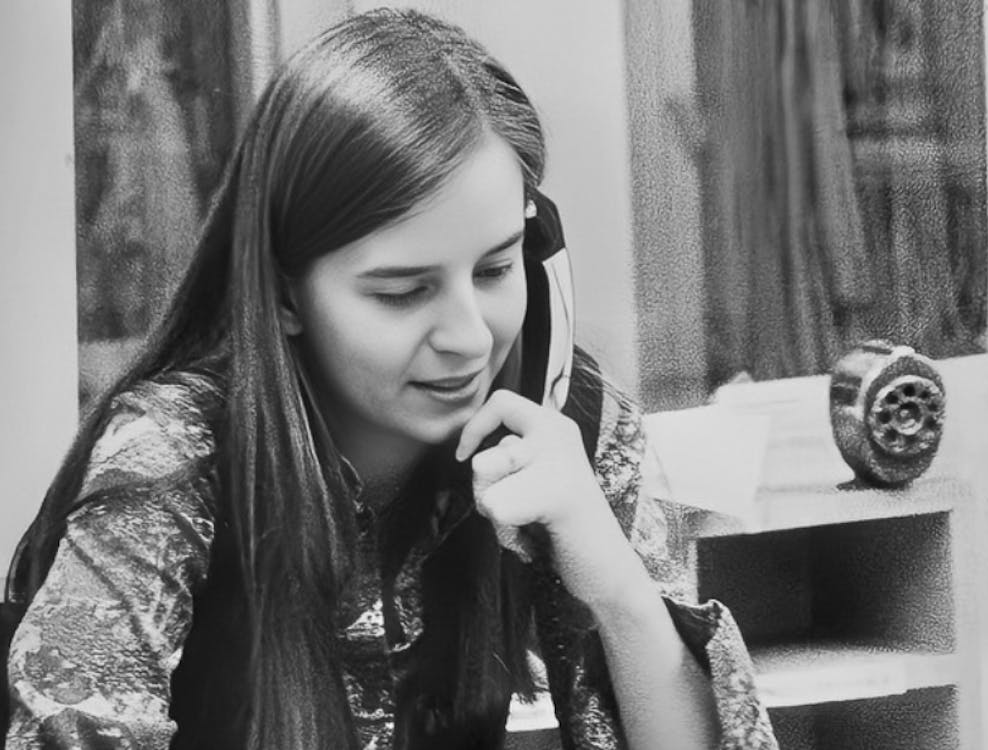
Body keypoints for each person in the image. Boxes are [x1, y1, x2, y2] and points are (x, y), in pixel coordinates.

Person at [3, 8, 777, 750]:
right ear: (283, 293)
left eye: (497, 267)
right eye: (404, 292)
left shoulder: (566, 425)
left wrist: (616, 587)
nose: (470, 336)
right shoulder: (174, 456)